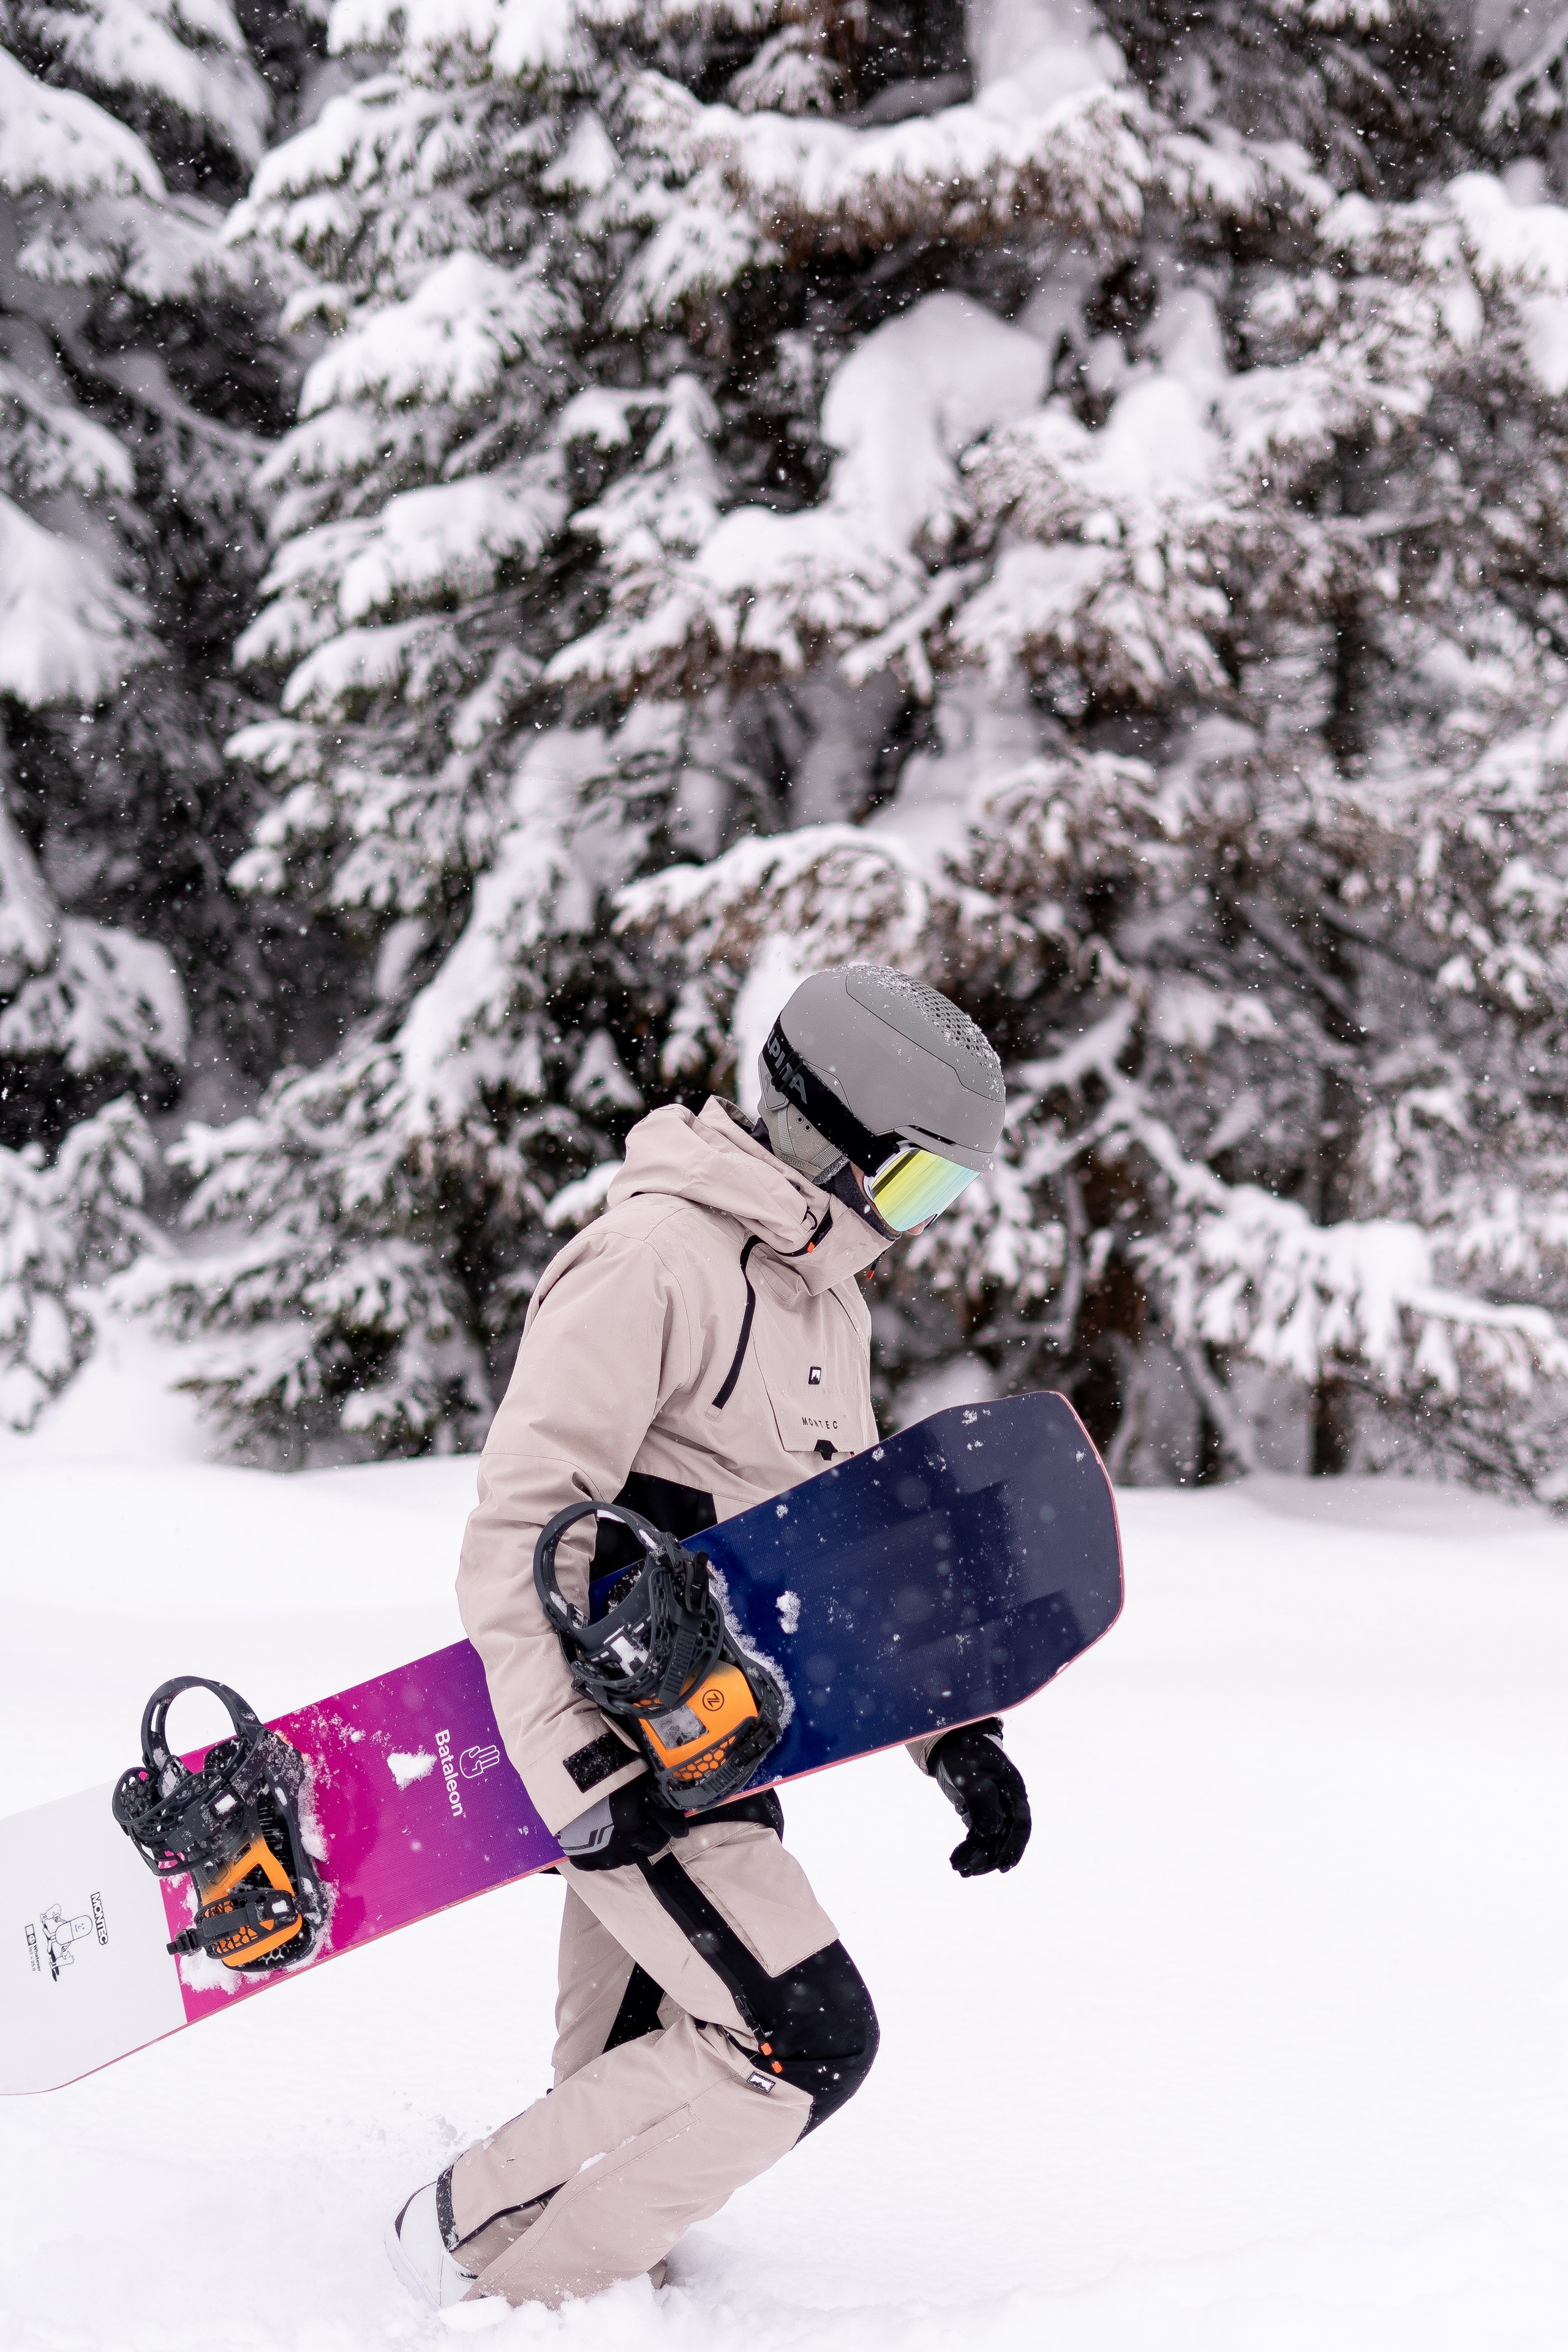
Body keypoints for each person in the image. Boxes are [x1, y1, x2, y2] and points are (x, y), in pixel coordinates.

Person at [385, 963, 1031, 2311]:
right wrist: (579, 1772)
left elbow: (848, 1564)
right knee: (802, 2037)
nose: (912, 1223)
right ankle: (455, 2237)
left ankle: (547, 2290)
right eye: (916, 1183)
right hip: (625, 1760)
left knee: (642, 2066)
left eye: (941, 1198)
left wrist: (953, 1739)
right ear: (838, 1132)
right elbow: (519, 1531)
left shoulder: (827, 1304)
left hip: (730, 1751)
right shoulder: (650, 1262)